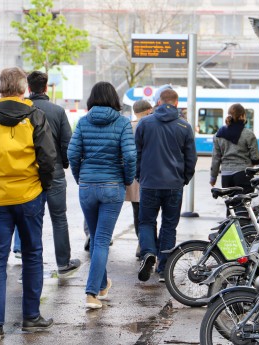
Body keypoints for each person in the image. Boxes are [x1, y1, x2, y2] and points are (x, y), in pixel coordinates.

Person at [0, 67, 56, 341]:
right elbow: (48, 158)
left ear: (0, 88)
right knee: (31, 254)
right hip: (29, 195)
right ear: (23, 88)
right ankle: (31, 316)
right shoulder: (35, 116)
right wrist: (42, 186)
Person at [67, 81, 136, 309]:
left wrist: (81, 178)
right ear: (114, 99)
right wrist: (127, 179)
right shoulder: (123, 123)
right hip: (112, 185)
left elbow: (73, 153)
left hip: (87, 186)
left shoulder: (84, 122)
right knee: (102, 239)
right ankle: (91, 292)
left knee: (97, 238)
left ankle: (103, 283)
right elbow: (129, 157)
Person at [135, 89, 197, 282]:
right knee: (169, 225)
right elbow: (191, 159)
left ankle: (148, 253)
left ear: (159, 102)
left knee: (146, 222)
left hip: (149, 183)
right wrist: (184, 178)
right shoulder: (184, 126)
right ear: (177, 104)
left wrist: (139, 175)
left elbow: (137, 153)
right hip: (174, 185)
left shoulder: (145, 123)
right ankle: (164, 268)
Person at [27, 71, 80, 277]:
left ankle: (30, 267)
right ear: (46, 86)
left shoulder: (24, 109)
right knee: (59, 218)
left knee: (31, 219)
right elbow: (67, 142)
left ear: (28, 88)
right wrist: (64, 164)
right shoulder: (58, 111)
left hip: (28, 172)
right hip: (55, 170)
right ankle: (63, 263)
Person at [210, 103, 259, 195]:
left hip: (226, 176)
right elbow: (255, 158)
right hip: (243, 174)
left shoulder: (218, 135)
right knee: (244, 206)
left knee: (230, 206)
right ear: (242, 116)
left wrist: (213, 177)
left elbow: (216, 159)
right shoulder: (248, 134)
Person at [126, 100, 153, 258]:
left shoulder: (127, 126)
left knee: (137, 212)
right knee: (150, 213)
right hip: (148, 173)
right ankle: (147, 245)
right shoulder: (150, 125)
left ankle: (140, 243)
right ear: (149, 110)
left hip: (132, 175)